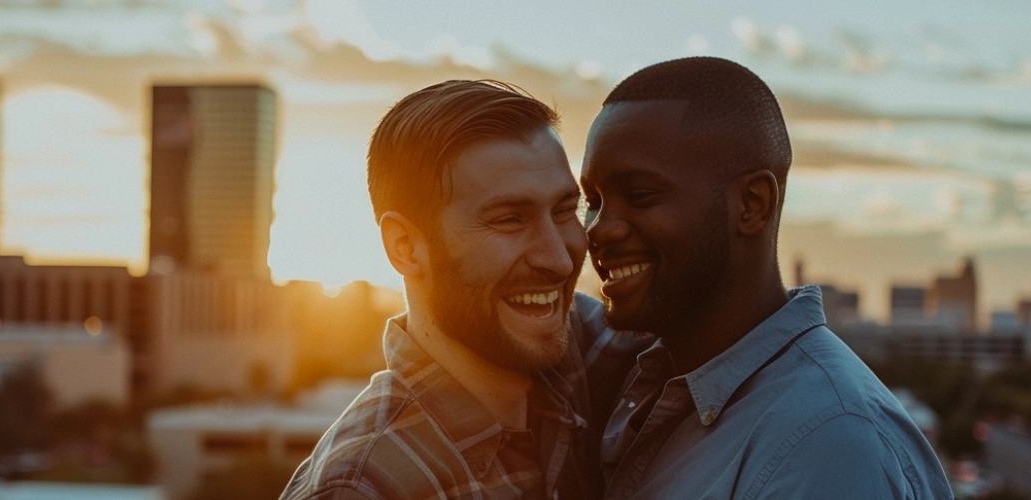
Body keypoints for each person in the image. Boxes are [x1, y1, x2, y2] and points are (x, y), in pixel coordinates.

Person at [579, 57, 953, 499]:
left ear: (752, 204)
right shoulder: (646, 382)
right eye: (594, 201)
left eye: (640, 195)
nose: (599, 229)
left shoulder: (829, 442)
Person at [281, 80, 640, 500]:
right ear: (406, 247)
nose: (559, 260)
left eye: (564, 210)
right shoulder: (365, 487)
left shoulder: (577, 349)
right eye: (509, 219)